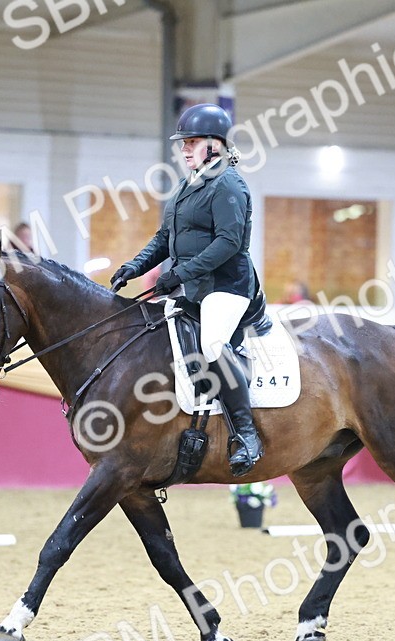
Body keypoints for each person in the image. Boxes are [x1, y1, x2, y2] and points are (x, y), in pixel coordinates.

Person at [110, 103, 264, 476]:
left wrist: (178, 275)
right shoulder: (187, 185)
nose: (183, 150)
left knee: (212, 344)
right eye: (183, 143)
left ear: (214, 144)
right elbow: (164, 238)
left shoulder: (228, 184)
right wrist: (135, 266)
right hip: (194, 287)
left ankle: (246, 434)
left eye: (191, 142)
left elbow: (228, 243)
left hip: (227, 287)